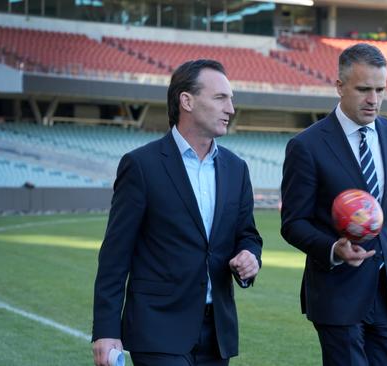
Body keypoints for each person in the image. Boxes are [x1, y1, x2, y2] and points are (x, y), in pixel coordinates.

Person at [92, 59, 263, 366]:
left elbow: (247, 235)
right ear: (187, 100)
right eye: (220, 98)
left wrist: (250, 257)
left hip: (217, 332)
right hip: (157, 327)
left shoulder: (237, 169)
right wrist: (105, 330)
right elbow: (115, 254)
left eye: (231, 99)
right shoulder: (142, 165)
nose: (231, 109)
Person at [280, 43, 387, 366]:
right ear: (339, 86)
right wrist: (333, 249)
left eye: (380, 89)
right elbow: (293, 223)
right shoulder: (306, 146)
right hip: (337, 296)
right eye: (364, 89)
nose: (374, 100)